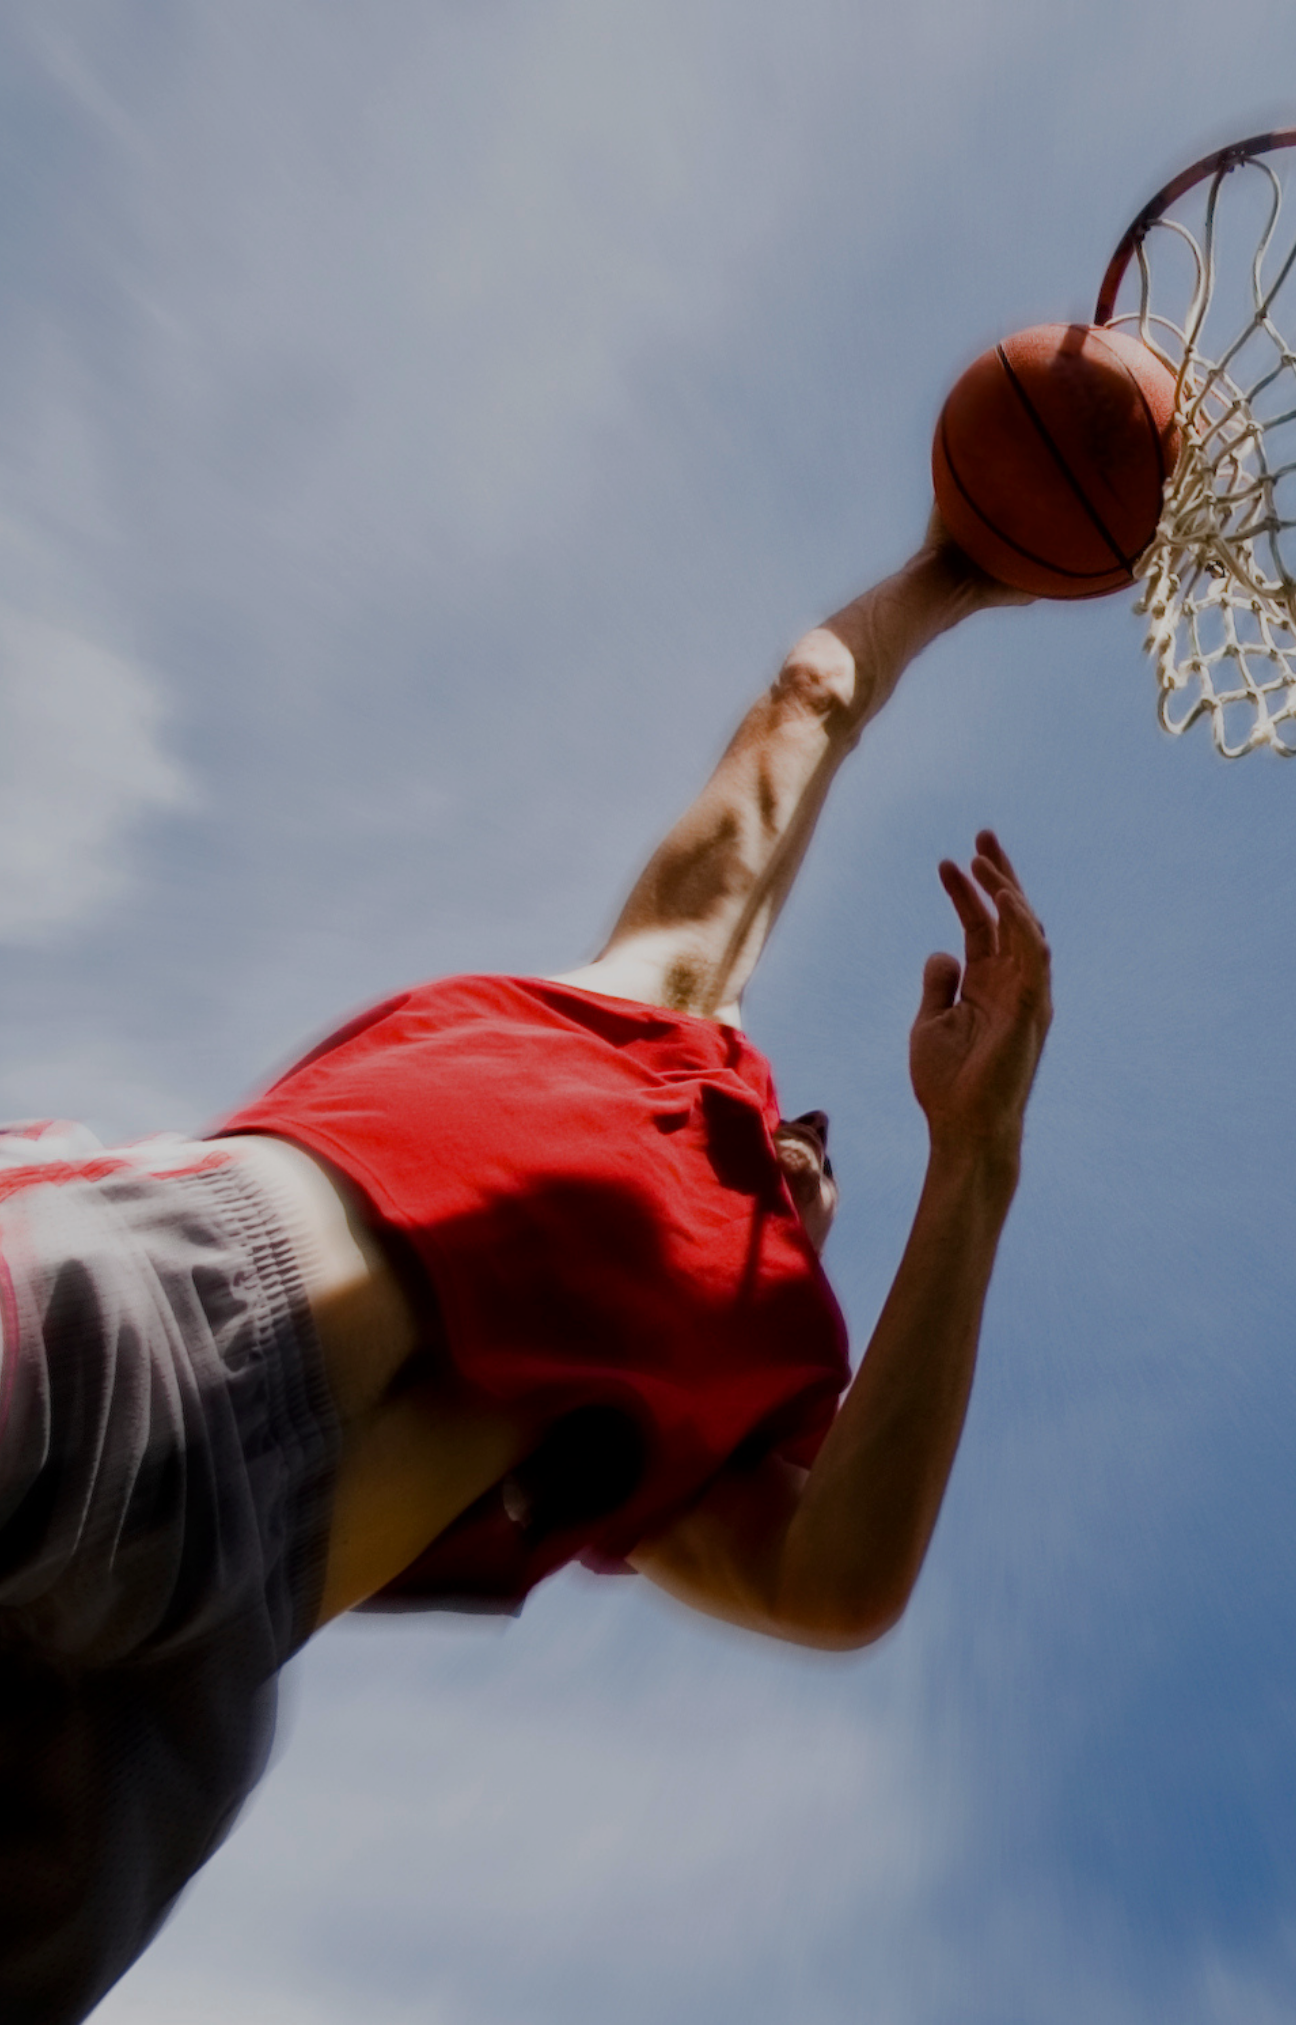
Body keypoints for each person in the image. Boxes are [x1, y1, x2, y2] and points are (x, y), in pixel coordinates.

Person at [0, 524, 1048, 2023]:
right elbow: (807, 704)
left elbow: (841, 1580)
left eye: (836, 1177)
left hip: (198, 1663)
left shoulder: (711, 1409)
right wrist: (954, 569)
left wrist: (975, 1157)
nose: (816, 1137)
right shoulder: (653, 1025)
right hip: (162, 1307)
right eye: (808, 1116)